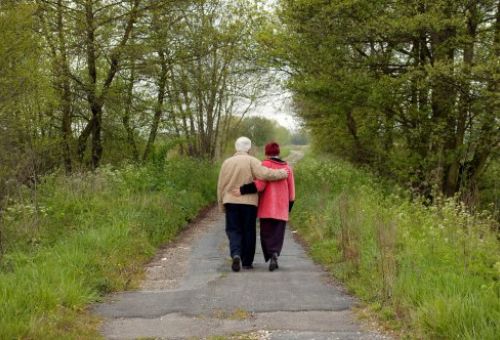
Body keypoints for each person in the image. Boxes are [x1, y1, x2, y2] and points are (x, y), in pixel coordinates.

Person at [217, 137, 289, 272]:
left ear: (235, 147)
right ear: (249, 148)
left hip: (230, 201)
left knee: (233, 230)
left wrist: (221, 204)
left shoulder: (226, 163)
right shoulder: (252, 161)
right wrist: (282, 173)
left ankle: (236, 254)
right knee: (249, 231)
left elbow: (220, 186)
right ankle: (247, 262)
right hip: (249, 203)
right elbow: (265, 174)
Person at [236, 142, 295, 271]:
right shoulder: (287, 168)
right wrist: (289, 207)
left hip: (266, 208)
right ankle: (275, 254)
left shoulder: (265, 165)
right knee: (278, 235)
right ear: (279, 152)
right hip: (281, 208)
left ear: (266, 152)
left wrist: (243, 189)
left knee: (266, 234)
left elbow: (260, 185)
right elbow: (292, 192)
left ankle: (270, 254)